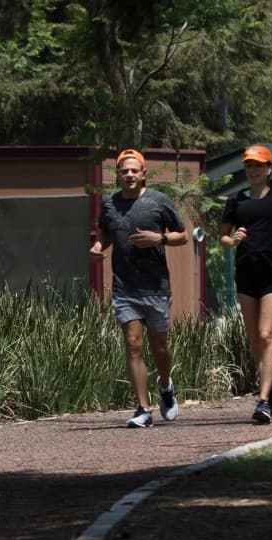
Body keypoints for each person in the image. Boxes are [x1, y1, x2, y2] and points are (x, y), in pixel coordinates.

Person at [90, 148, 189, 428]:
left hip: (156, 287)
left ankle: (166, 385)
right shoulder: (110, 204)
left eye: (135, 170)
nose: (130, 175)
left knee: (160, 349)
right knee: (133, 344)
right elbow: (106, 232)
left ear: (144, 174)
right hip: (124, 287)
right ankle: (143, 409)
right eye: (124, 171)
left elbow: (182, 236)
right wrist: (98, 246)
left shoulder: (160, 201)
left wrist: (159, 239)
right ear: (118, 175)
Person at [219, 144, 272, 424]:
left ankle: (264, 399)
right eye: (248, 166)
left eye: (258, 165)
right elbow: (223, 238)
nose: (253, 170)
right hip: (246, 273)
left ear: (269, 168)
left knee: (267, 334)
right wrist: (234, 240)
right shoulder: (236, 201)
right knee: (254, 336)